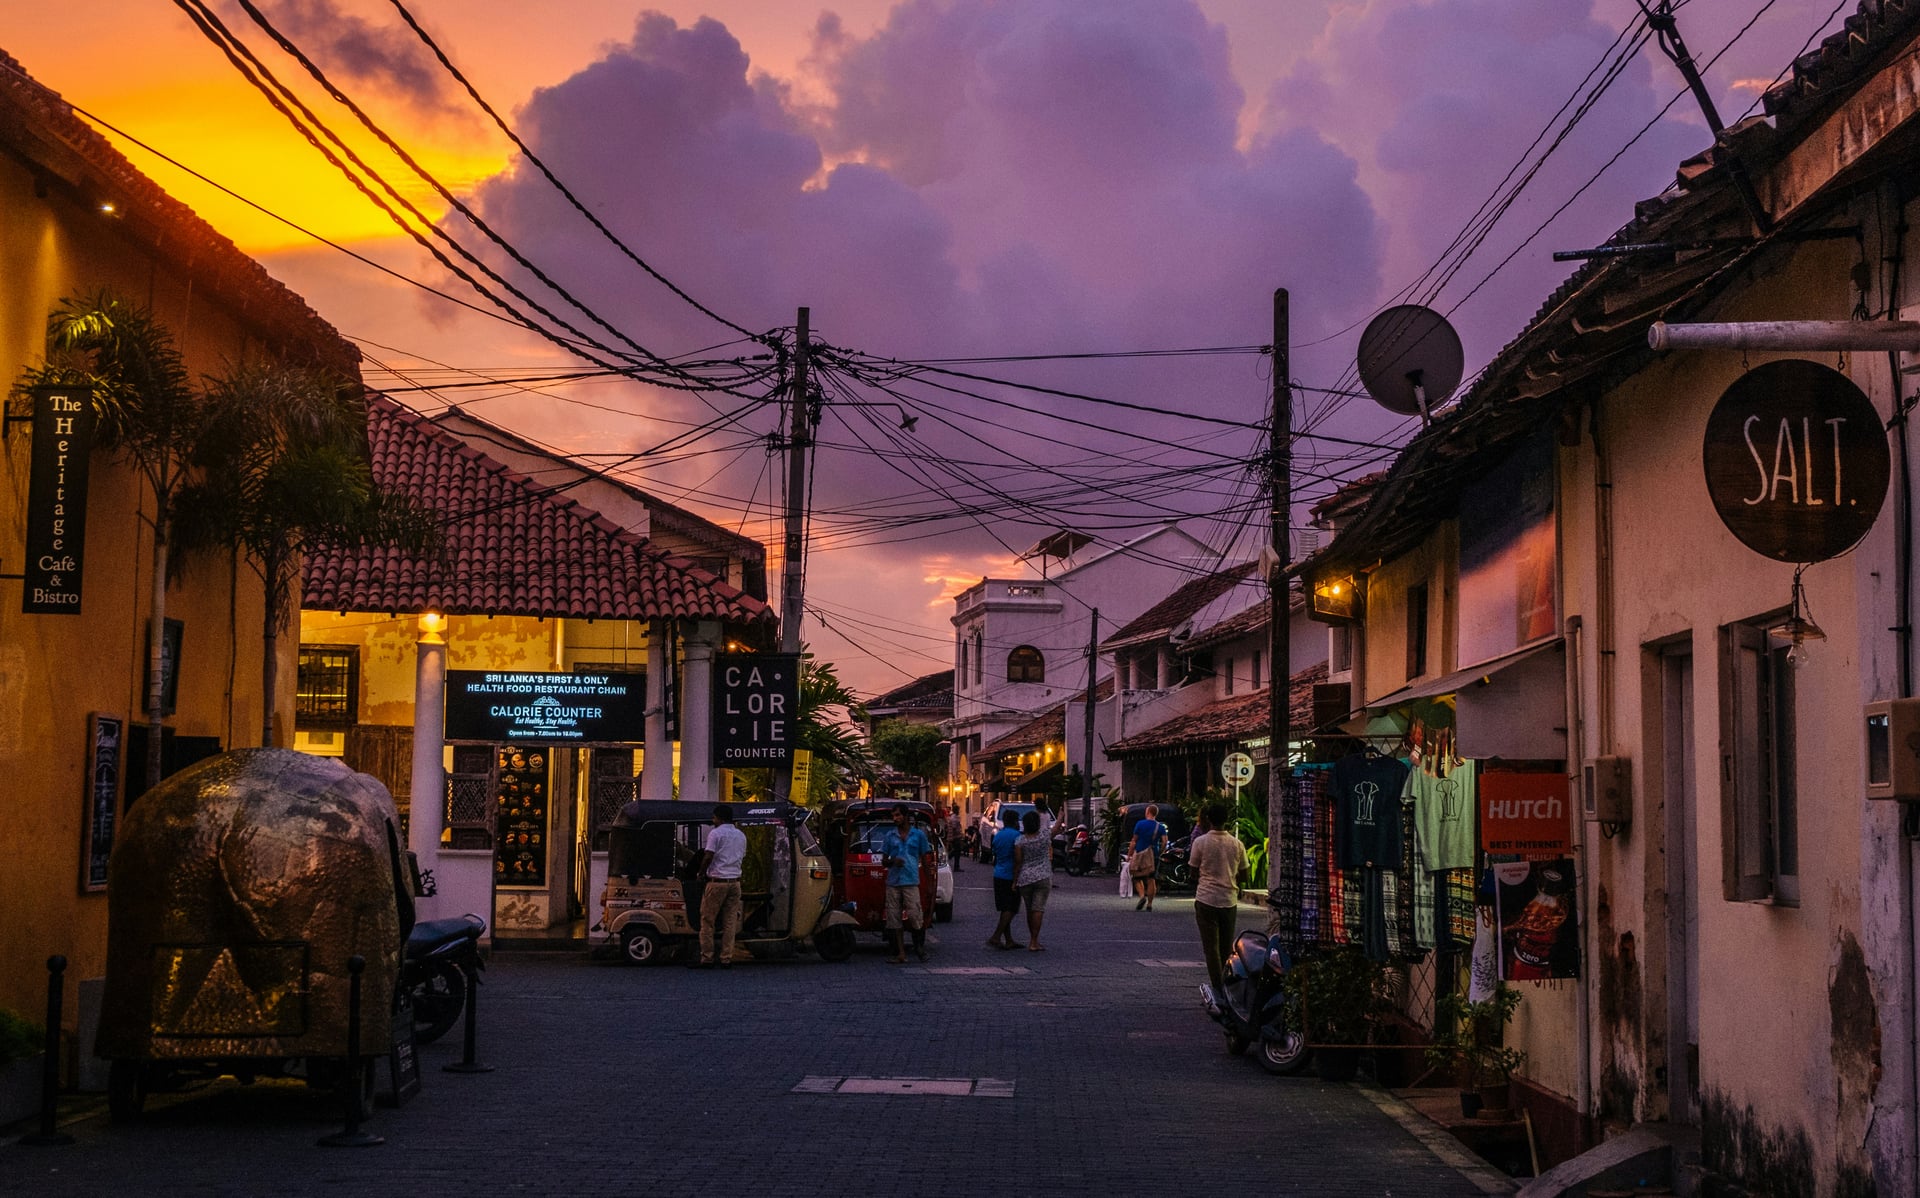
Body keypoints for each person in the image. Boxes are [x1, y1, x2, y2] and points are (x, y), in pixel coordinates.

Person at [1189, 801, 1249, 990]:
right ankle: (1227, 986)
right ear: (1227, 820)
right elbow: (1244, 875)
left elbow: (1192, 871)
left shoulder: (1200, 842)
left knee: (1211, 948)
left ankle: (1218, 987)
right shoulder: (1236, 844)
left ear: (1208, 819)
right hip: (1228, 900)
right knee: (1225, 947)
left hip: (1206, 899)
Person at [690, 803, 747, 969]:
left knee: (708, 920)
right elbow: (741, 856)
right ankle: (726, 958)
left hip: (717, 882)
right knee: (730, 922)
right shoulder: (741, 835)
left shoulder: (716, 834)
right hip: (735, 883)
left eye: (714, 817)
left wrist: (700, 873)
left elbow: (708, 856)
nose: (712, 820)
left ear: (720, 818)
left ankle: (707, 957)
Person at [881, 804, 932, 963]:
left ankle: (919, 947)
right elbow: (883, 861)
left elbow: (925, 860)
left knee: (915, 916)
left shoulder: (918, 835)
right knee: (894, 918)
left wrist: (929, 883)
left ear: (905, 816)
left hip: (911, 881)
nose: (895, 819)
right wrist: (892, 861)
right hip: (893, 882)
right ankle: (900, 953)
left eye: (897, 815)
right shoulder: (890, 836)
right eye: (893, 816)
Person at [1012, 809, 1053, 952]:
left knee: (1030, 909)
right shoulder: (1044, 836)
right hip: (1042, 876)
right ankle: (1034, 941)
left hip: (1025, 877)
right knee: (1038, 909)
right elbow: (1058, 828)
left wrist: (1014, 881)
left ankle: (1032, 939)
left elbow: (1018, 862)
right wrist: (1060, 816)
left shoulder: (1020, 841)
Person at [986, 806, 1025, 949]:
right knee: (1011, 908)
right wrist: (1016, 879)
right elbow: (1018, 859)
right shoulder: (1017, 836)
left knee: (1004, 908)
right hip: (1011, 874)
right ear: (1015, 822)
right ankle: (996, 936)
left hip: (998, 873)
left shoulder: (998, 836)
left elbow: (994, 853)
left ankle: (1008, 940)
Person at [1131, 804, 1167, 911]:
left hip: (1140, 853)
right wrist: (1160, 852)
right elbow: (1165, 842)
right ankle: (1150, 904)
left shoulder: (1140, 824)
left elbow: (1134, 840)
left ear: (1147, 812)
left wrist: (1129, 854)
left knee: (1136, 877)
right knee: (1151, 879)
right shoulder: (1160, 827)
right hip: (1153, 854)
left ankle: (1142, 896)